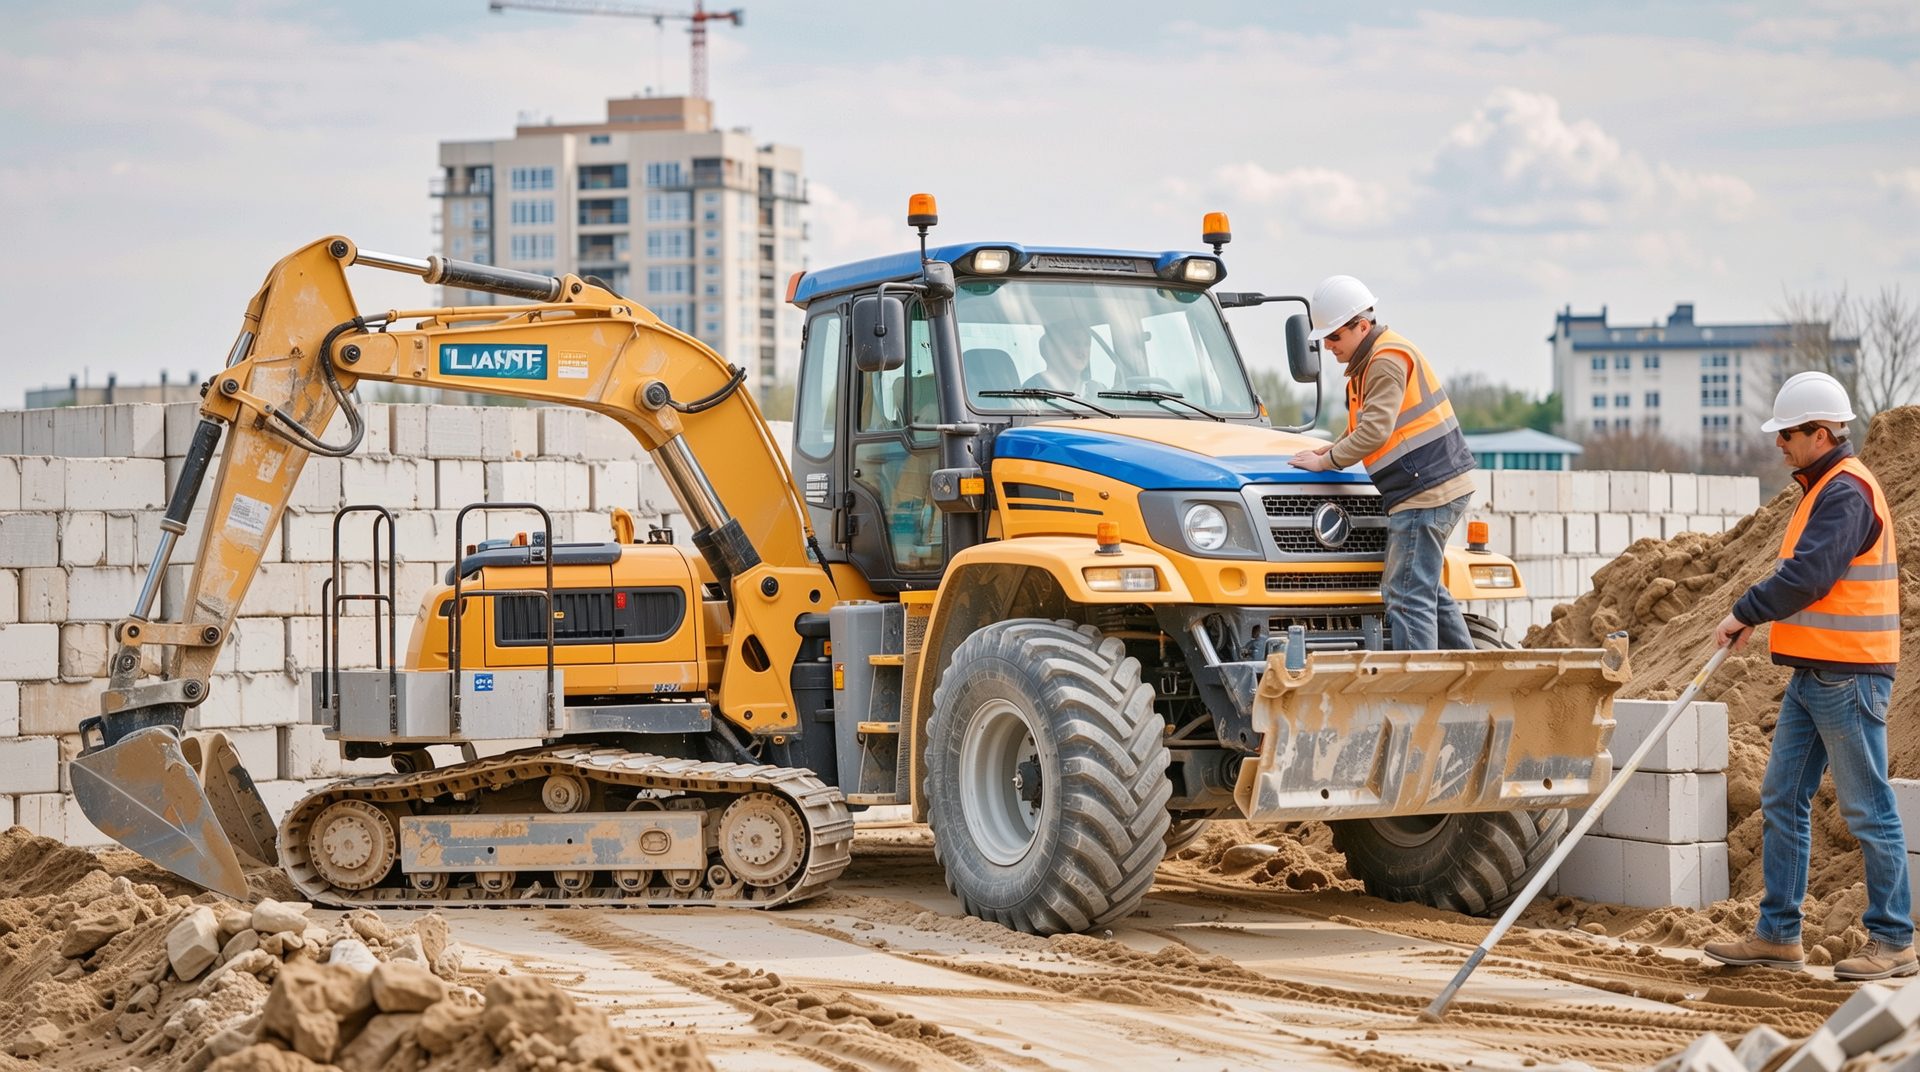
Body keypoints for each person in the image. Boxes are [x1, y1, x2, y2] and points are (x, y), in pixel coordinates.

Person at [1702, 371, 1908, 980]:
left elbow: (1809, 576)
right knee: (1782, 796)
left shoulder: (1846, 492)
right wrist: (1755, 618)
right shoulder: (1820, 487)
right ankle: (1778, 933)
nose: (1778, 444)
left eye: (1787, 433)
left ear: (1821, 433)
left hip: (1849, 677)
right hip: (1814, 672)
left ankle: (1894, 940)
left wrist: (1745, 609)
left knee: (1867, 807)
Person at [1289, 275, 1476, 651]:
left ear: (1362, 325)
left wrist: (1327, 463)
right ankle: (1469, 675)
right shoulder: (1370, 363)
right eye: (1324, 338)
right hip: (1431, 486)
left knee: (1405, 596)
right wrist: (1324, 450)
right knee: (1425, 590)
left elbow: (1374, 433)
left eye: (1335, 337)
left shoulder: (1385, 361)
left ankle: (1420, 695)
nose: (1327, 346)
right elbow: (1360, 428)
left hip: (1424, 490)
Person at [1023, 328, 1106, 396]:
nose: (1082, 351)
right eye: (1074, 343)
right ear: (1055, 349)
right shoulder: (1033, 389)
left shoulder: (1096, 390)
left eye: (1086, 344)